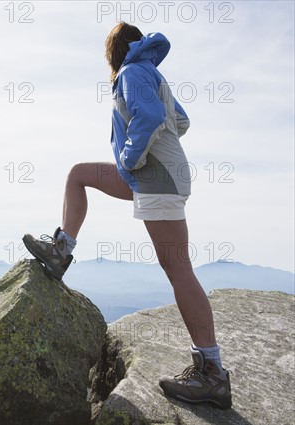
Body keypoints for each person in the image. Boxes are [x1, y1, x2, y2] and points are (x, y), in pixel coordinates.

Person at [22, 22, 232, 410]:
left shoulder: (132, 72)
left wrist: (132, 156)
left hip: (154, 176)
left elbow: (150, 118)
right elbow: (180, 121)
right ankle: (61, 250)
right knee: (79, 174)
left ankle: (212, 373)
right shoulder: (152, 72)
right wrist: (140, 157)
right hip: (151, 174)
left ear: (112, 53)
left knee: (179, 269)